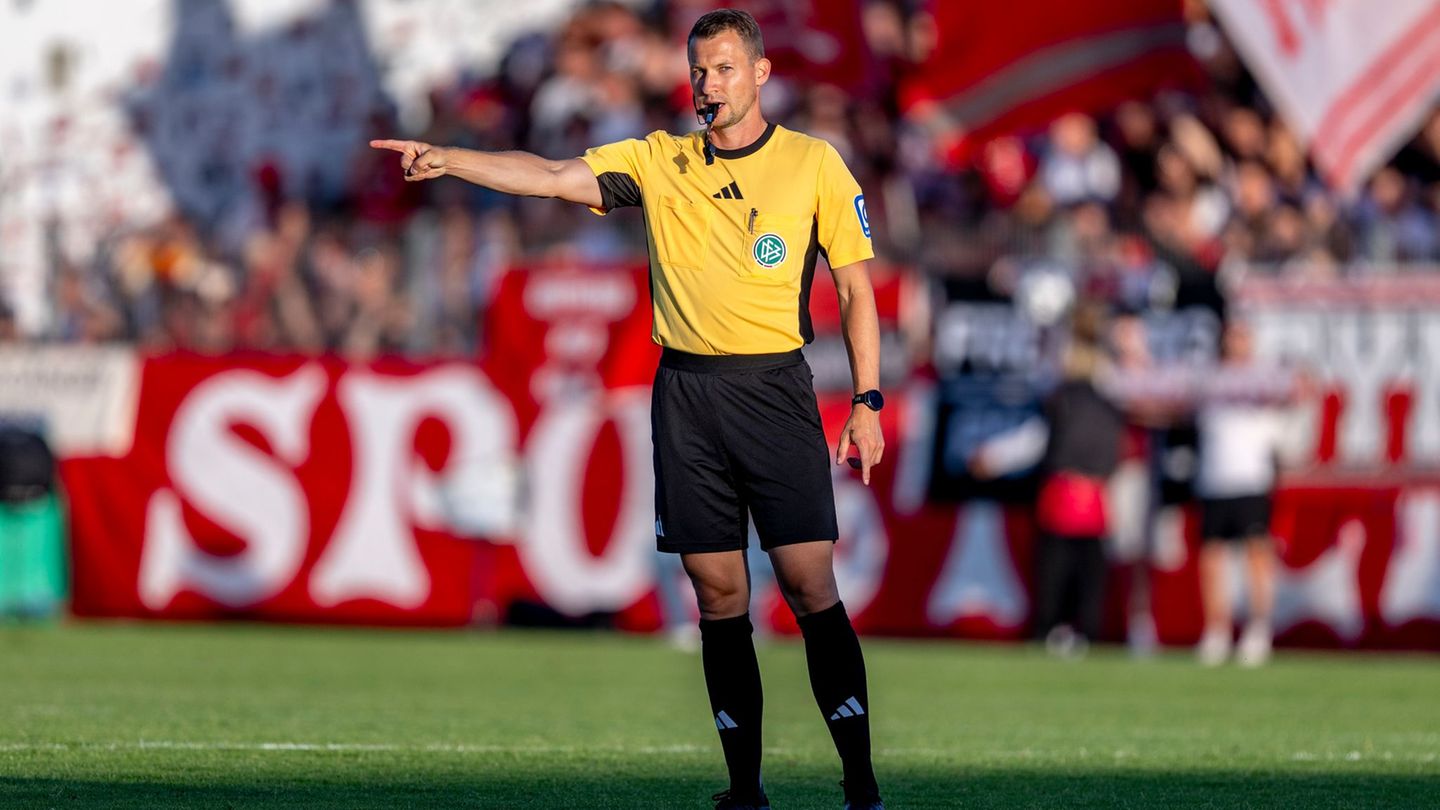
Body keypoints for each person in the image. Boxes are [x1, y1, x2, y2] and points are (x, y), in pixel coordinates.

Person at [372, 10, 885, 809]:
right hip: (686, 394)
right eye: (699, 70)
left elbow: (855, 290)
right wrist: (450, 159)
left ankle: (860, 781)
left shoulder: (814, 164)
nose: (709, 84)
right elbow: (547, 174)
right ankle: (744, 789)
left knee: (809, 582)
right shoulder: (658, 161)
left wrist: (866, 400)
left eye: (724, 69)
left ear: (759, 74)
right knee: (717, 593)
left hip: (776, 392)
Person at [1192, 319, 1296, 667]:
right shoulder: (1210, 378)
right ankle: (1217, 631)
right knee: (1212, 557)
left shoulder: (1265, 379)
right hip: (1214, 479)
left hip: (1250, 480)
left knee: (1256, 555)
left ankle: (1258, 630)